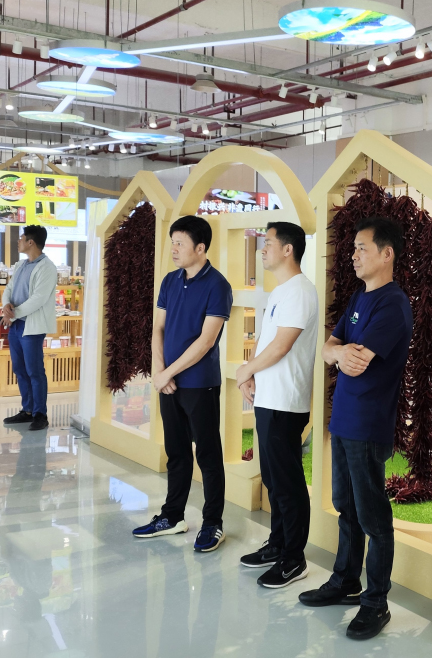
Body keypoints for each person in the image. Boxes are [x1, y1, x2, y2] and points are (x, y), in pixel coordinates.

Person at [298, 217, 413, 641]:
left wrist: (340, 352)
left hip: (368, 424)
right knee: (345, 505)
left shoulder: (393, 304)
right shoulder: (359, 297)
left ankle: (375, 602)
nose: (353, 255)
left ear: (387, 254)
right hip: (344, 419)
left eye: (362, 248)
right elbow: (330, 348)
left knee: (373, 517)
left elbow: (355, 360)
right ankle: (345, 581)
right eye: (353, 249)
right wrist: (338, 351)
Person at [133, 216, 232, 553]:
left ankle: (213, 523)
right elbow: (158, 329)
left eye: (180, 243)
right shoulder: (170, 280)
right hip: (169, 382)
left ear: (200, 248)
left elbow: (206, 341)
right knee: (176, 452)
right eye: (172, 242)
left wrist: (167, 373)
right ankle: (172, 516)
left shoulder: (218, 285)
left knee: (207, 454)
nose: (173, 249)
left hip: (200, 384)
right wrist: (159, 371)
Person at [235, 222, 319, 589]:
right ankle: (278, 544)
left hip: (286, 401)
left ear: (288, 249)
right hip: (268, 398)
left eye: (268, 242)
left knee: (287, 483)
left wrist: (245, 370)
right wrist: (250, 374)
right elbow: (266, 341)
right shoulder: (280, 291)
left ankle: (294, 558)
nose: (262, 249)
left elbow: (283, 345)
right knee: (272, 478)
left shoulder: (300, 291)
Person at [0, 225, 58, 431]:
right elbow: (9, 288)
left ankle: (40, 414)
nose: (18, 241)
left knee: (35, 371)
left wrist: (12, 313)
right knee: (20, 369)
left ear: (30, 242)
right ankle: (27, 410)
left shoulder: (47, 267)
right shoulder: (20, 265)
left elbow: (39, 299)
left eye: (21, 238)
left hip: (31, 326)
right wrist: (6, 306)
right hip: (15, 324)